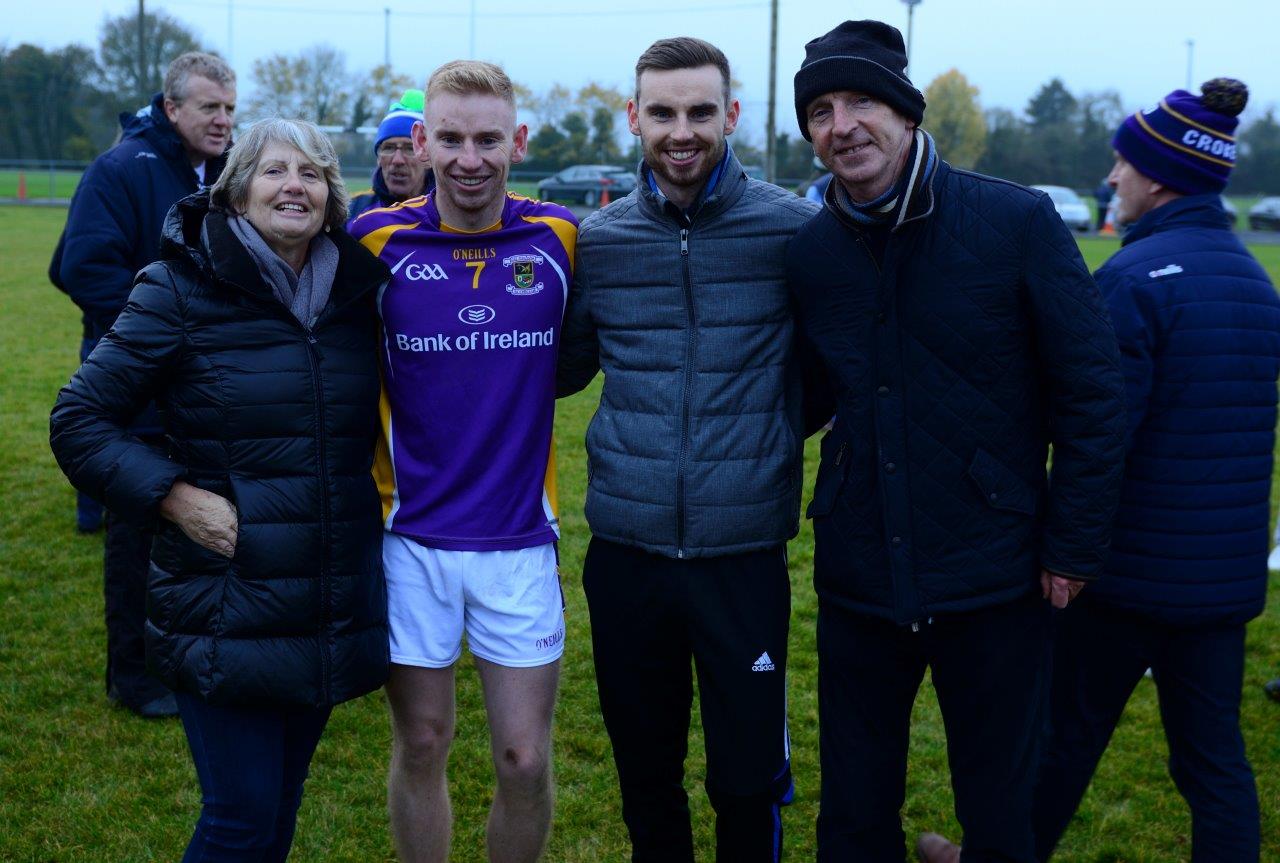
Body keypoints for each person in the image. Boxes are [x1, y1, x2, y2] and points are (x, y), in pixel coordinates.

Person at [785, 20, 1127, 863]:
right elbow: (808, 392)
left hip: (997, 573)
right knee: (855, 814)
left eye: (861, 100)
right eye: (820, 110)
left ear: (906, 114)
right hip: (860, 573)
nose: (842, 125)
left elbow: (1091, 390)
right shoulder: (812, 250)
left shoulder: (1016, 222)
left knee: (999, 807)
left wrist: (1074, 542)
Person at [49, 117, 390, 862]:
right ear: (236, 191)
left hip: (326, 604)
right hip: (223, 602)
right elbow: (78, 420)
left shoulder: (361, 298)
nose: (293, 185)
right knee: (237, 818)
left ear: (333, 197)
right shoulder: (177, 287)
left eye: (312, 173)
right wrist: (173, 496)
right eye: (273, 170)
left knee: (278, 813)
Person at [556, 36, 819, 863]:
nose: (682, 130)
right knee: (645, 774)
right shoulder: (599, 240)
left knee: (747, 780)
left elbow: (837, 371)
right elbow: (562, 367)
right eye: (662, 112)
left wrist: (767, 434)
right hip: (626, 553)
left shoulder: (794, 230)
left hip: (741, 556)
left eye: (700, 111)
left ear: (730, 115)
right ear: (633, 118)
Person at [1025, 79, 1278, 863]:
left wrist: (1062, 551)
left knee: (1062, 739)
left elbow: (1098, 438)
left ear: (1160, 175)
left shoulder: (1132, 280)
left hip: (1127, 579)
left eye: (1121, 165)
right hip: (1220, 583)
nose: (1111, 180)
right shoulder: (1256, 283)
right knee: (1213, 760)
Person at [347, 60, 576, 863]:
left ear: (517, 140)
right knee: (421, 746)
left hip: (519, 543)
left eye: (487, 138)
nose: (470, 157)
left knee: (525, 758)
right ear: (422, 142)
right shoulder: (371, 242)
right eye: (451, 138)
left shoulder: (561, 238)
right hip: (410, 541)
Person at [50, 50, 237, 718]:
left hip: (209, 388)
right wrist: (159, 333)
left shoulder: (228, 171)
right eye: (209, 107)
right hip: (138, 389)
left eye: (229, 108)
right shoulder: (120, 169)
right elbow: (78, 267)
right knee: (136, 535)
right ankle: (133, 674)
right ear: (171, 108)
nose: (222, 120)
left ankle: (193, 656)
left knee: (201, 531)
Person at [348, 88, 436, 223]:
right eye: (388, 148)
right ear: (378, 158)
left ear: (428, 158)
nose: (397, 160)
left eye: (410, 148)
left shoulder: (451, 214)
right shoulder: (351, 211)